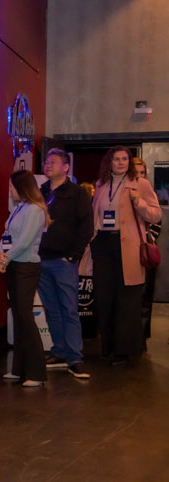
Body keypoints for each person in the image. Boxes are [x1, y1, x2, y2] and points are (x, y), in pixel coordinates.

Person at [91, 146, 161, 365]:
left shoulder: (140, 184)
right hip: (103, 244)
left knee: (126, 300)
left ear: (129, 162)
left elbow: (156, 215)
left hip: (128, 247)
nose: (121, 163)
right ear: (109, 162)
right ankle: (108, 348)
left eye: (124, 159)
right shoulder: (101, 184)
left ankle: (124, 351)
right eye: (116, 159)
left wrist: (139, 203)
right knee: (104, 298)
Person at [37, 149, 93, 379]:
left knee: (69, 309)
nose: (48, 165)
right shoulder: (40, 192)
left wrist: (73, 255)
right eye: (46, 162)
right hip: (42, 259)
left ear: (66, 167)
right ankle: (59, 350)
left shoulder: (78, 193)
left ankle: (75, 357)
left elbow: (87, 227)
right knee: (51, 309)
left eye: (53, 162)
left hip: (64, 262)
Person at [0, 170, 50, 387]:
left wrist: (7, 257)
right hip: (14, 266)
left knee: (25, 318)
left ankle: (36, 373)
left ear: (21, 187)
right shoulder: (19, 208)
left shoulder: (35, 210)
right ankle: (19, 369)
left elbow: (25, 241)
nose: (10, 191)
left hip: (26, 267)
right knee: (19, 318)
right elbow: (7, 236)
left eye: (12, 186)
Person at [132, 157, 162, 347]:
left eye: (142, 173)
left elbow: (157, 223)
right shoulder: (124, 193)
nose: (139, 176)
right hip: (127, 252)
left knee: (145, 297)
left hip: (146, 253)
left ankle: (141, 338)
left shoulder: (151, 196)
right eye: (136, 173)